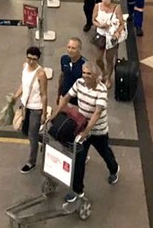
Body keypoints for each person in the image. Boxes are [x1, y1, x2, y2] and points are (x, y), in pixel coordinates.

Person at [51, 62, 119, 208]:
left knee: (105, 153)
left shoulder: (101, 91)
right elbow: (67, 98)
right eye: (84, 73)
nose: (85, 76)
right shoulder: (79, 83)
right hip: (82, 128)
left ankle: (114, 169)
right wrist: (54, 114)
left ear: (96, 76)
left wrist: (85, 133)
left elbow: (97, 114)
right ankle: (77, 190)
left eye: (89, 74)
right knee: (79, 160)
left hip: (98, 131)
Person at [12, 46, 48, 174]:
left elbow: (44, 94)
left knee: (32, 136)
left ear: (38, 59)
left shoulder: (41, 74)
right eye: (29, 58)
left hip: (35, 109)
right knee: (24, 130)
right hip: (25, 106)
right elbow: (23, 84)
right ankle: (44, 141)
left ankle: (31, 161)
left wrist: (43, 113)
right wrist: (16, 96)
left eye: (34, 59)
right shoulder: (24, 67)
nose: (31, 61)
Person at [92, 0, 125, 88]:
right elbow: (93, 20)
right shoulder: (97, 6)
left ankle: (109, 78)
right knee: (98, 59)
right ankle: (103, 71)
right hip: (101, 35)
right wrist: (100, 25)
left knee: (109, 59)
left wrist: (117, 32)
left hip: (111, 36)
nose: (104, 1)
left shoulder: (117, 8)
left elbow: (122, 23)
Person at [57, 37, 86, 105]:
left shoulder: (84, 65)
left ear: (79, 49)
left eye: (73, 48)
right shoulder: (64, 59)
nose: (70, 50)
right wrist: (59, 94)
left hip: (77, 99)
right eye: (69, 47)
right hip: (64, 95)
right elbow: (62, 76)